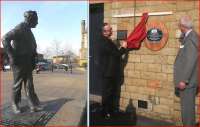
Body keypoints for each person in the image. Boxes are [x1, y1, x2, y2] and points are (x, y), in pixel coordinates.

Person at [2, 10, 43, 114]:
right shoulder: (20, 28)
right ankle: (14, 104)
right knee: (18, 84)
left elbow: (31, 46)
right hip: (19, 62)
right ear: (30, 19)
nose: (37, 23)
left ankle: (32, 104)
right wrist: (12, 56)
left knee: (29, 84)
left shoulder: (28, 30)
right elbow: (5, 39)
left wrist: (34, 55)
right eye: (36, 20)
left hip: (28, 61)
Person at [98, 23, 127, 119]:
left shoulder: (107, 41)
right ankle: (105, 113)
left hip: (110, 73)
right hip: (107, 73)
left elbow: (112, 55)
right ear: (105, 32)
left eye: (110, 29)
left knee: (110, 93)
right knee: (107, 94)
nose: (111, 31)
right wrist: (123, 47)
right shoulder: (104, 42)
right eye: (110, 30)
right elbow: (117, 54)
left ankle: (109, 111)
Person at [174, 16, 199, 126]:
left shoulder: (192, 37)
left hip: (188, 82)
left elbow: (191, 61)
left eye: (179, 25)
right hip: (188, 81)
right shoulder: (188, 37)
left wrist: (184, 80)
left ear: (183, 26)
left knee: (187, 110)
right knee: (187, 109)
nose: (179, 27)